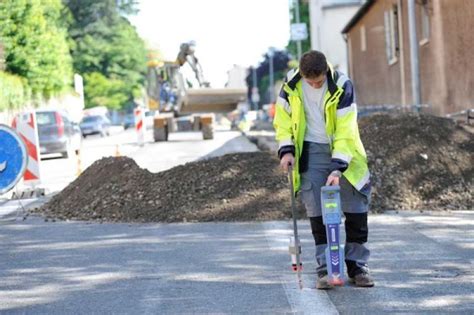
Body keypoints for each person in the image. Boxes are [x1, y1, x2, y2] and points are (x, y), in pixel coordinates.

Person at [273, 50, 374, 289]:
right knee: (317, 210)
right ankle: (325, 269)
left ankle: (357, 266)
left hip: (345, 150)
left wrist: (338, 167)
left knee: (355, 208)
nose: (314, 85)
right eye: (310, 82)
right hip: (311, 151)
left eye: (318, 81)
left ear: (325, 71)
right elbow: (283, 119)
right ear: (302, 73)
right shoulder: (291, 84)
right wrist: (286, 150)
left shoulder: (341, 84)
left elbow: (346, 129)